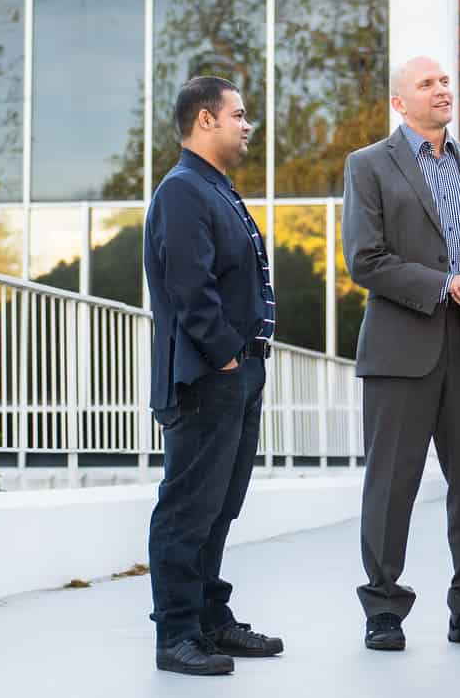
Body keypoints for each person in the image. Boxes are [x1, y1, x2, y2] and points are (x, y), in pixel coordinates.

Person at [342, 56, 460, 653]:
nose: (442, 89)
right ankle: (384, 608)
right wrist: (444, 285)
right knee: (391, 485)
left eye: (445, 80)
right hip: (400, 351)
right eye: (427, 84)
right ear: (400, 102)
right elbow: (364, 259)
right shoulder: (368, 166)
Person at [145, 76, 283, 677]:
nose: (247, 125)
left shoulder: (215, 189)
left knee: (221, 506)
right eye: (239, 114)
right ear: (205, 120)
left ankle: (209, 620)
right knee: (187, 508)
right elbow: (189, 288)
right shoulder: (182, 191)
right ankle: (176, 634)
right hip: (206, 375)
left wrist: (244, 363)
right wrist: (227, 355)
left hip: (239, 374)